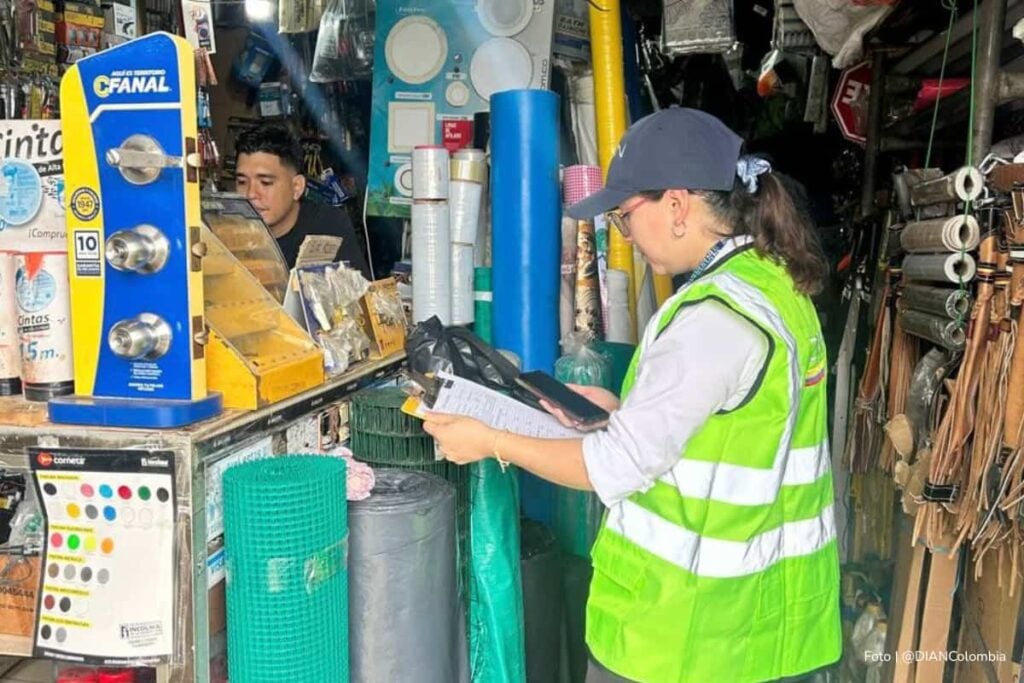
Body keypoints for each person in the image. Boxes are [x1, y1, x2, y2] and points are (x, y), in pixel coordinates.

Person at [423, 108, 841, 683]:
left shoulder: (712, 319)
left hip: (685, 637)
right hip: (768, 627)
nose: (626, 236)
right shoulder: (771, 286)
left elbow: (612, 468)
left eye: (624, 217)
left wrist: (489, 438)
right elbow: (740, 423)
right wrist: (622, 411)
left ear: (676, 205)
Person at [234, 124, 372, 279]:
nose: (251, 194)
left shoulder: (328, 225)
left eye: (265, 182)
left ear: (297, 187)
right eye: (242, 182)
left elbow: (360, 296)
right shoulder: (227, 233)